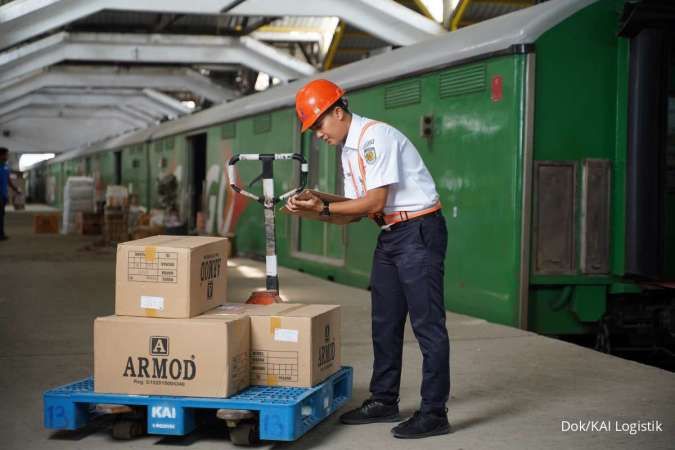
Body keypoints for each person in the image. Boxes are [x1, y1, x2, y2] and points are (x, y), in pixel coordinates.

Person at [287, 79, 450, 439]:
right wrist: (311, 206)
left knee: (427, 326)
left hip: (419, 231)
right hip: (391, 236)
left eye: (318, 125)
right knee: (385, 323)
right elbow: (351, 213)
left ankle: (435, 412)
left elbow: (374, 202)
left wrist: (323, 205)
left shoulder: (376, 138)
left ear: (338, 112)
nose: (317, 135)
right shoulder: (348, 150)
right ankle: (384, 400)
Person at [0, 147, 22, 240]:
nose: (7, 156)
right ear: (1, 155)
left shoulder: (5, 166)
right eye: (6, 155)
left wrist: (15, 189)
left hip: (3, 195)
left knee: (1, 215)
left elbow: (8, 180)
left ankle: (1, 234)